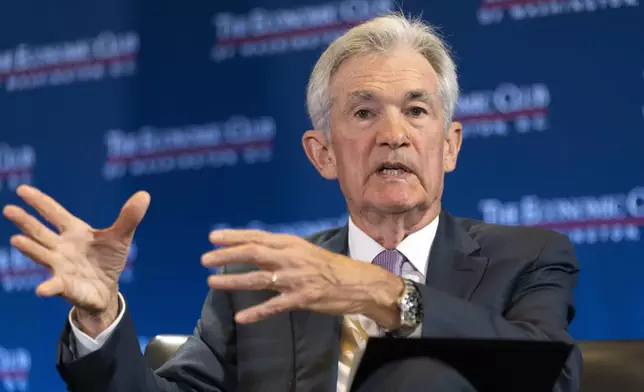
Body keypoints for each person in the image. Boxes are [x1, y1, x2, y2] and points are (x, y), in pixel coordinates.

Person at [2, 13, 582, 392]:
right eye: (363, 112)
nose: (393, 134)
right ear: (321, 153)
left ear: (449, 145)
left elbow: (545, 374)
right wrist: (102, 317)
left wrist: (380, 292)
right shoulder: (261, 282)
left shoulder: (530, 258)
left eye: (416, 109)